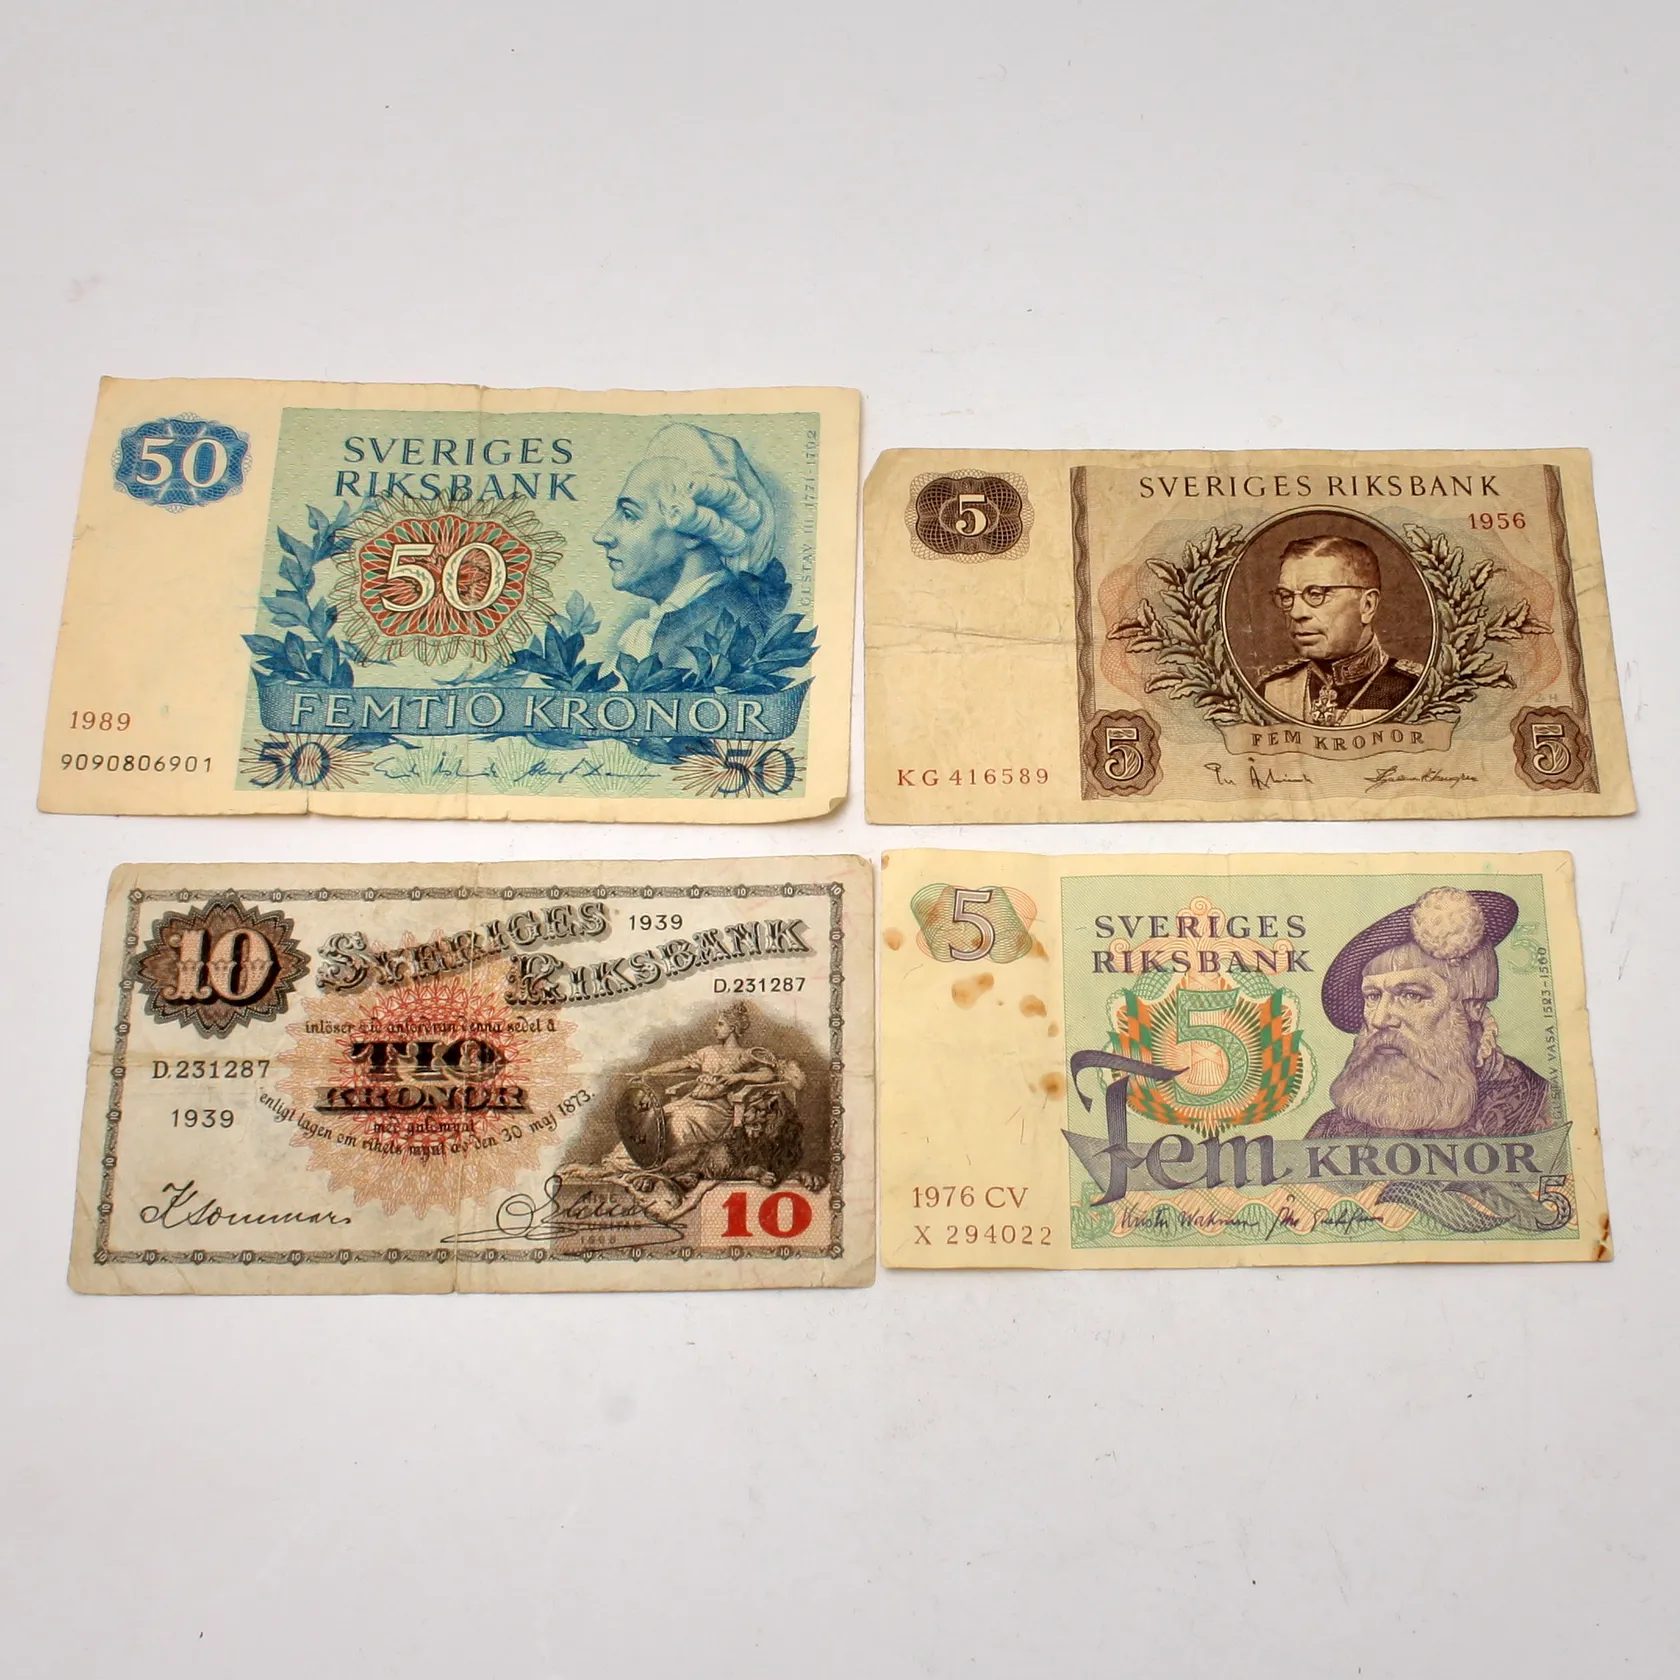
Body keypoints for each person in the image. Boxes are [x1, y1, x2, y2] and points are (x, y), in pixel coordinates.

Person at [1306, 886, 1551, 1139]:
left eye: (1411, 995)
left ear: (1472, 1008)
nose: (1379, 1019)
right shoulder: (1329, 1132)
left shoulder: (1543, 1115)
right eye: (1373, 996)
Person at [592, 423, 779, 666]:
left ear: (694, 533)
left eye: (629, 514)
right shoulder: (681, 621)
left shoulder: (726, 629)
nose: (602, 535)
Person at [1257, 534, 1421, 725]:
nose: (1296, 612)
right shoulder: (1271, 692)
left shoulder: (1416, 690)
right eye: (1286, 596)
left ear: (1367, 605)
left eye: (1316, 594)